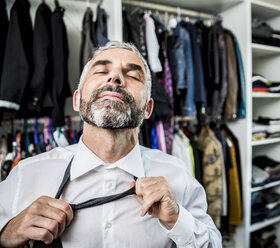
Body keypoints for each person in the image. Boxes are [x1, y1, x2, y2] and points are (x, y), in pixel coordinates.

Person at [0, 41, 222, 247]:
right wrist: (7, 234)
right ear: (77, 101)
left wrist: (177, 219)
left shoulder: (177, 175)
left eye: (133, 75)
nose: (115, 77)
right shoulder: (26, 174)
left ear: (148, 109)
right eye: (101, 71)